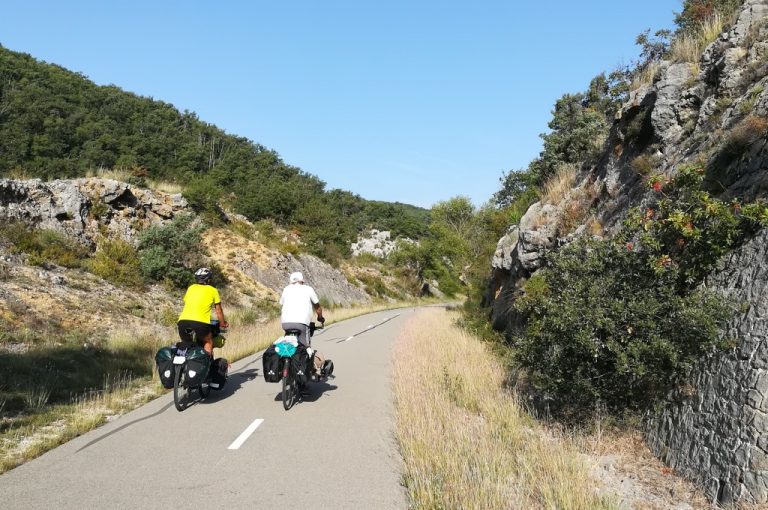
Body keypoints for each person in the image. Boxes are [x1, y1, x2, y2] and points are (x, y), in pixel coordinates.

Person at [177, 267, 229, 357]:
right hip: (201, 323)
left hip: (182, 322)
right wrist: (222, 323)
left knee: (186, 343)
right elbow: (219, 310)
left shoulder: (191, 288)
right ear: (208, 279)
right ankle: (207, 365)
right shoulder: (213, 290)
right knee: (208, 342)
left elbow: (188, 303)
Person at [279, 271, 324, 347]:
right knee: (305, 348)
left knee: (288, 346)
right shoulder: (308, 289)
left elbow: (282, 303)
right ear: (302, 280)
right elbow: (318, 307)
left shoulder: (286, 289)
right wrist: (320, 318)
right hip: (302, 323)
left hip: (285, 323)